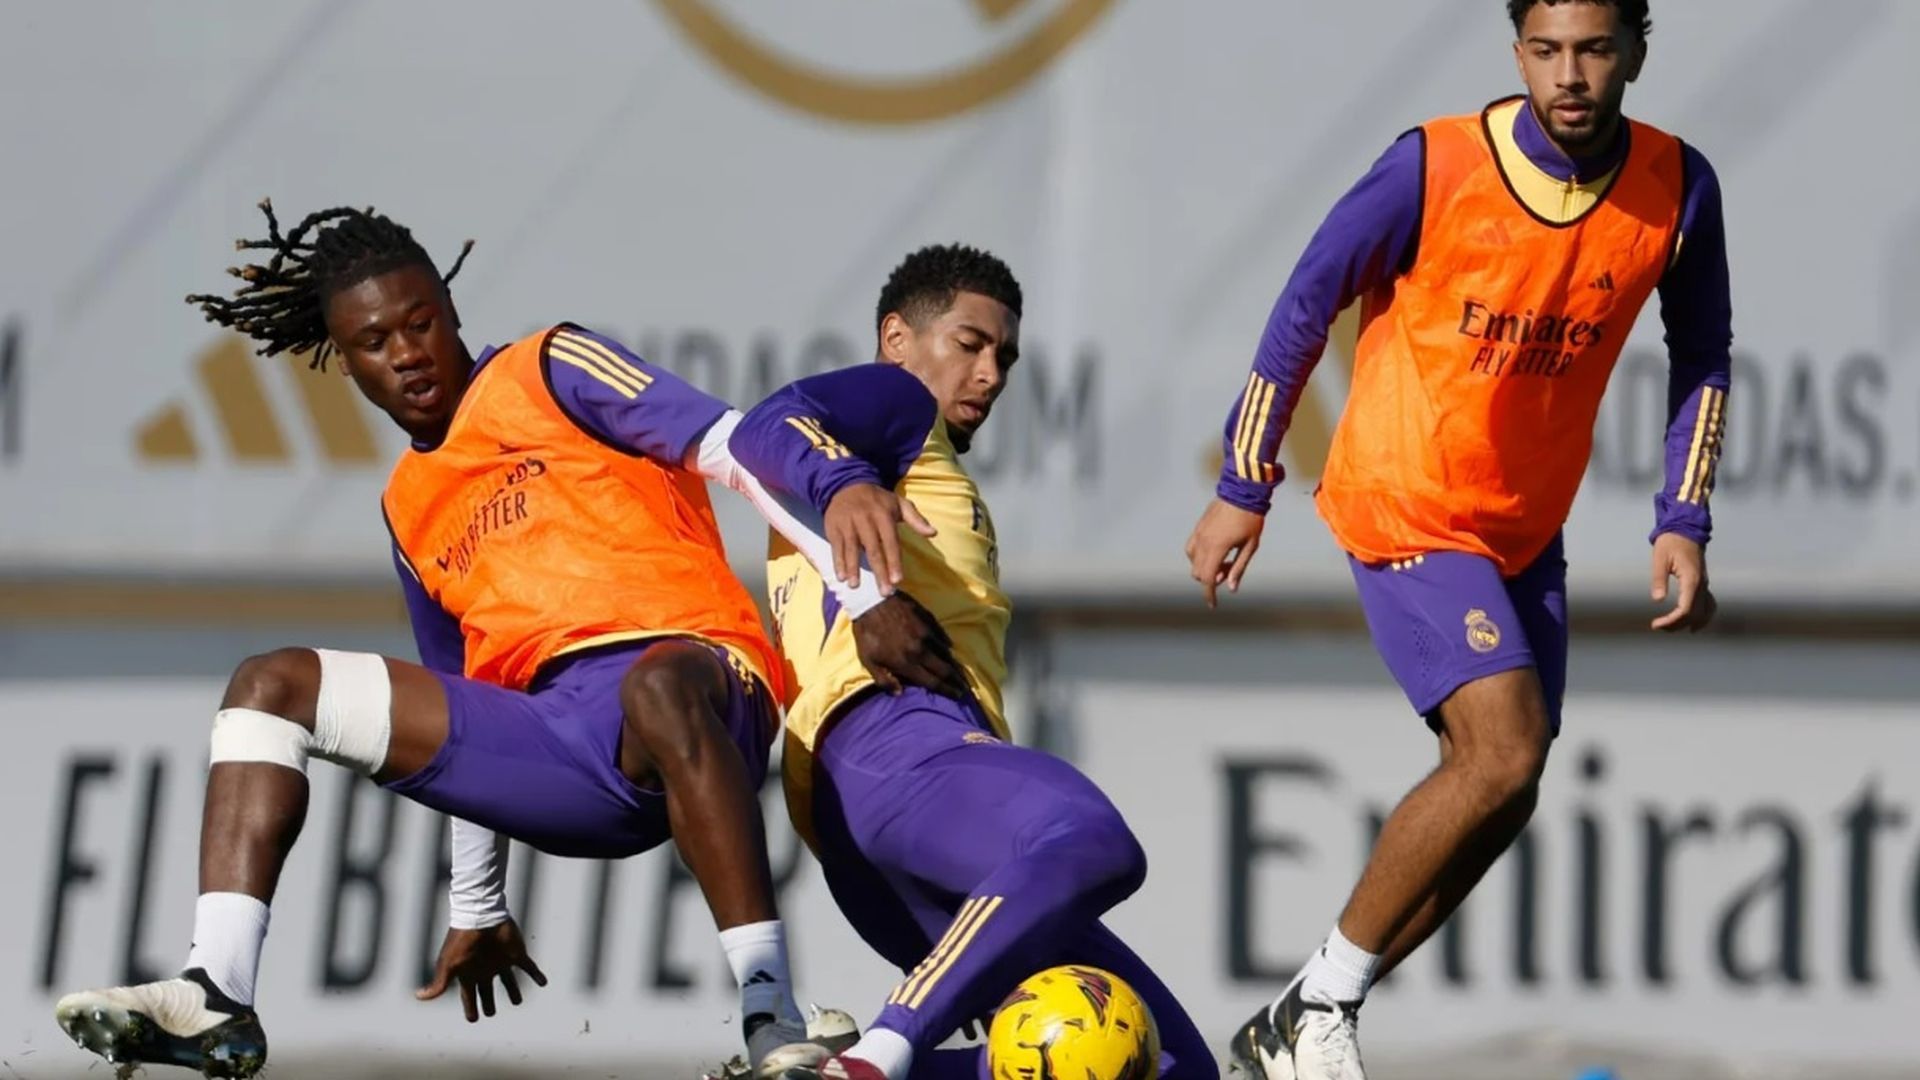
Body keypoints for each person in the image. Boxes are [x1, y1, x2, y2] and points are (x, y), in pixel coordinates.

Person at [52, 201, 944, 1078]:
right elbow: (468, 697)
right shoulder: (407, 507)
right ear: (345, 363)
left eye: (420, 323)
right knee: (269, 684)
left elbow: (728, 442)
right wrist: (478, 904)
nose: (407, 353)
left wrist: (860, 585)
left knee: (657, 687)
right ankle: (219, 992)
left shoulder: (549, 366)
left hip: (701, 684)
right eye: (375, 342)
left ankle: (770, 1011)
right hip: (562, 745)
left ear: (450, 311)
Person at [1184, 3, 1729, 1077]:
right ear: (1517, 50)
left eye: (1594, 50)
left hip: (1522, 527)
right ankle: (1322, 1006)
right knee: (1505, 748)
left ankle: (1303, 1010)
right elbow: (1306, 302)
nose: (1569, 75)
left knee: (1507, 788)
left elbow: (1702, 351)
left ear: (1635, 51)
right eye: (1546, 50)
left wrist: (1684, 515)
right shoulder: (1431, 166)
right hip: (1406, 496)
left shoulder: (1679, 186)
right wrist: (1246, 481)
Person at [733, 245, 1216, 1080]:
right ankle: (880, 1056)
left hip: (889, 830)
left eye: (1007, 358)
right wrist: (845, 483)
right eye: (970, 344)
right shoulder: (895, 408)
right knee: (1089, 837)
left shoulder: (911, 468)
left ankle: (827, 1074)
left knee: (1168, 1068)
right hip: (895, 745)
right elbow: (763, 425)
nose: (991, 375)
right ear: (897, 338)